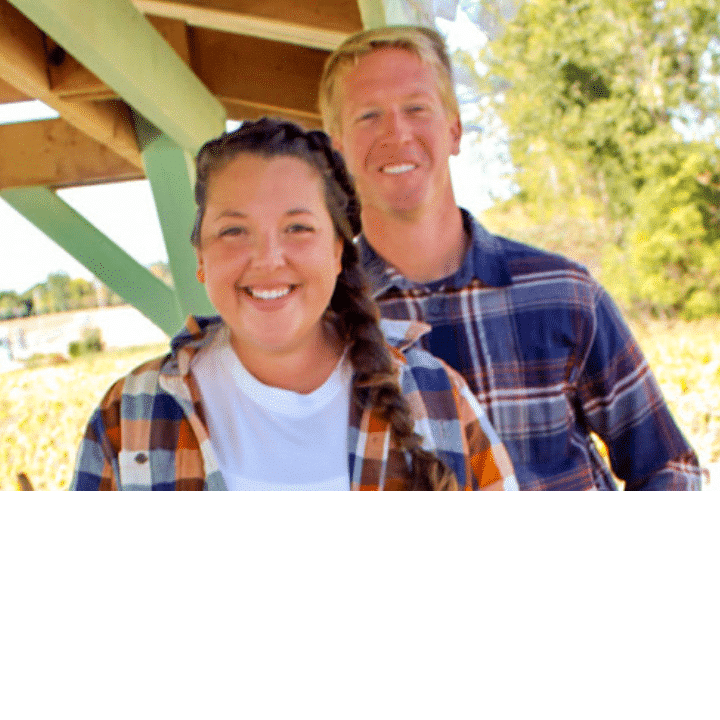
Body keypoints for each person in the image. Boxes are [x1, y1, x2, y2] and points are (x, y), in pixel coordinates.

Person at [319, 25, 703, 490]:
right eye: (368, 116)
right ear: (336, 146)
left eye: (416, 108)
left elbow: (668, 465)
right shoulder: (323, 321)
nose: (396, 132)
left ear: (454, 130)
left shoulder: (562, 293)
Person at [71, 118, 517, 491]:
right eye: (233, 231)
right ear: (201, 259)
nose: (267, 259)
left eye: (298, 228)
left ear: (338, 250)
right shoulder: (130, 415)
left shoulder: (435, 398)